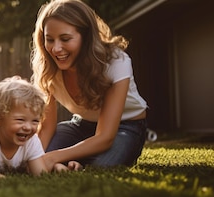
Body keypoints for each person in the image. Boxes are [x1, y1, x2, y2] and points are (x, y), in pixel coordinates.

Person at [31, 0, 148, 170]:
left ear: (86, 37)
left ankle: (78, 162)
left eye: (65, 39)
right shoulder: (48, 68)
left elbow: (105, 136)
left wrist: (52, 158)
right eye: (49, 39)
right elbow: (47, 127)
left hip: (126, 126)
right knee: (42, 155)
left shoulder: (115, 61)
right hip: (81, 125)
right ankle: (75, 162)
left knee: (101, 166)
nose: (56, 49)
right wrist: (37, 158)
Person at [0, 76, 80, 178]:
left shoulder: (31, 141)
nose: (28, 127)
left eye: (35, 121)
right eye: (20, 120)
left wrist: (56, 168)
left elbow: (40, 174)